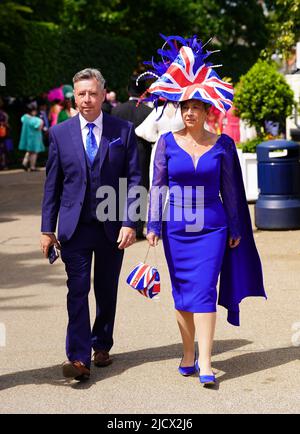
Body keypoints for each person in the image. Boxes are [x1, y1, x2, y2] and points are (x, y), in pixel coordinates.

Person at [144, 35, 266, 386]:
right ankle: (187, 352)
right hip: (176, 228)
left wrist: (235, 228)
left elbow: (231, 192)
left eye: (195, 106)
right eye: (184, 106)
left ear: (206, 109)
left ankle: (208, 363)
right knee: (182, 293)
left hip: (212, 227)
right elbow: (158, 186)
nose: (189, 112)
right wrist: (152, 223)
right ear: (179, 109)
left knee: (204, 291)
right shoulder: (166, 143)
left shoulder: (223, 145)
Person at [40, 68, 141, 381]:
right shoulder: (59, 133)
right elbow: (52, 184)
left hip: (112, 226)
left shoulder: (122, 130)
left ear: (102, 94)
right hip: (75, 228)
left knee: (106, 289)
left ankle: (102, 344)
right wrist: (47, 229)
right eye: (81, 94)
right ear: (74, 95)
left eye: (92, 93)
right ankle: (79, 357)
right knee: (78, 289)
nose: (86, 99)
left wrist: (130, 222)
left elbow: (135, 179)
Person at [112, 76, 152, 238]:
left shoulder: (117, 110)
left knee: (121, 188)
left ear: (128, 90)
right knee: (141, 188)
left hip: (120, 153)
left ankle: (121, 223)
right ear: (144, 91)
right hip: (142, 153)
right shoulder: (149, 111)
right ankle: (138, 227)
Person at [19, 102, 45, 172]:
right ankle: (32, 166)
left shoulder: (24, 117)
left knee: (28, 151)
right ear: (32, 111)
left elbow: (22, 120)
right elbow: (38, 127)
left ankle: (24, 163)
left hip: (27, 138)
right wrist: (41, 122)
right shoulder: (35, 120)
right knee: (34, 152)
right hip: (34, 138)